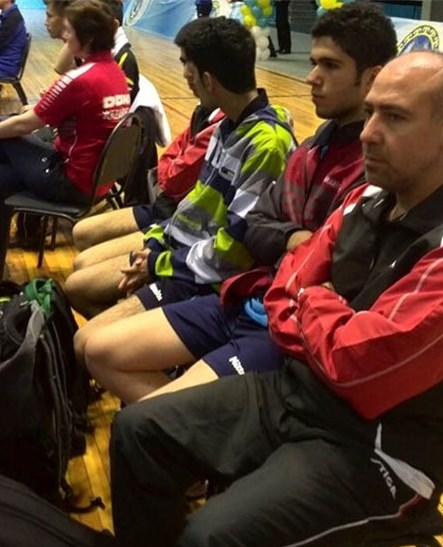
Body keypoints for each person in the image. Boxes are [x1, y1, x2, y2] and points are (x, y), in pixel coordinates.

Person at [108, 50, 443, 547]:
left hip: (382, 452)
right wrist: (324, 310)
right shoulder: (364, 199)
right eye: (370, 112)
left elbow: (359, 371)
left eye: (395, 117)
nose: (369, 133)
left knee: (210, 539)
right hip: (296, 393)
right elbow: (282, 290)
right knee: (138, 429)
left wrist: (313, 302)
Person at [83, 3, 397, 403]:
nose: (311, 77)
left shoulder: (358, 169)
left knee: (138, 411)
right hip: (244, 292)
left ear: (372, 77)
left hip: (256, 303)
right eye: (314, 63)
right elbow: (257, 225)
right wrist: (291, 237)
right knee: (97, 347)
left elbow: (318, 259)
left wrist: (162, 261)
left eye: (330, 66)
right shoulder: (314, 144)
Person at [65, 17, 296, 328]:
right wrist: (155, 246)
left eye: (187, 64)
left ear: (207, 79)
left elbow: (235, 249)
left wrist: (159, 263)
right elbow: (193, 205)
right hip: (182, 248)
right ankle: (129, 334)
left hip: (205, 276)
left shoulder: (267, 145)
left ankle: (126, 337)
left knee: (87, 325)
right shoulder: (227, 125)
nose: (184, 74)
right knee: (79, 284)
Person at [0, 0, 131, 282]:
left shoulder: (80, 79)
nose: (64, 36)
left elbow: (28, 123)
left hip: (70, 179)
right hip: (97, 180)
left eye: (69, 31)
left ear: (86, 39)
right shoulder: (115, 73)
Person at [68, 103, 225, 272]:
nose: (191, 85)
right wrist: (169, 168)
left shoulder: (220, 126)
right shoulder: (204, 111)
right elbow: (170, 155)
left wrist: (169, 168)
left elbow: (172, 181)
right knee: (81, 233)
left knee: (82, 266)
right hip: (163, 204)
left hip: (177, 217)